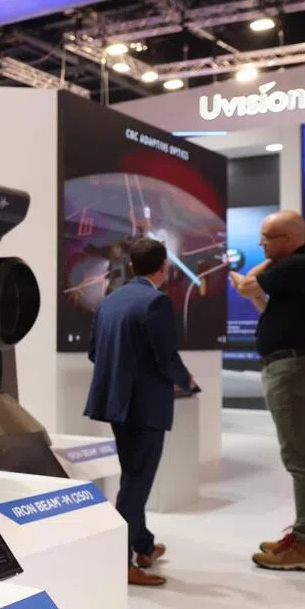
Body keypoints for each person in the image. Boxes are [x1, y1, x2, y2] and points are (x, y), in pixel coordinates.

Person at [85, 238, 192, 587]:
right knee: (136, 483)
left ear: (131, 266)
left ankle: (144, 545)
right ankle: (121, 560)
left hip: (116, 405)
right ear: (164, 267)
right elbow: (166, 357)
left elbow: (93, 352)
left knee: (133, 475)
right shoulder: (156, 301)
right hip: (145, 407)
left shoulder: (110, 300)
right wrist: (186, 382)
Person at [230, 210, 305, 572]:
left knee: (298, 458)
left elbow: (247, 287)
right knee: (297, 455)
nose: (260, 244)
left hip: (292, 369)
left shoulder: (299, 265)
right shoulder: (297, 270)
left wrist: (257, 268)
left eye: (268, 237)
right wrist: (258, 279)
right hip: (289, 367)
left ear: (289, 240)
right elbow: (263, 303)